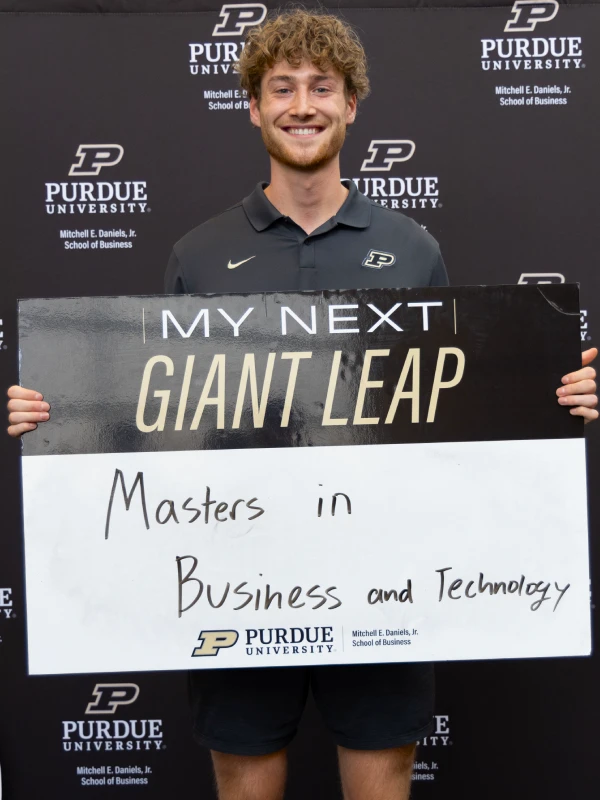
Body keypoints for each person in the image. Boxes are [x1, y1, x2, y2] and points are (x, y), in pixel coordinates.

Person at [6, 10, 598, 800]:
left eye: (322, 87)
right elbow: (153, 415)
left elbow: (456, 407)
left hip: (384, 575)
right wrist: (60, 413)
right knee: (244, 784)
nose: (302, 105)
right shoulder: (200, 252)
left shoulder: (413, 248)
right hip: (232, 581)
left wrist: (551, 394)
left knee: (382, 781)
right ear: (253, 107)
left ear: (353, 104)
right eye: (281, 88)